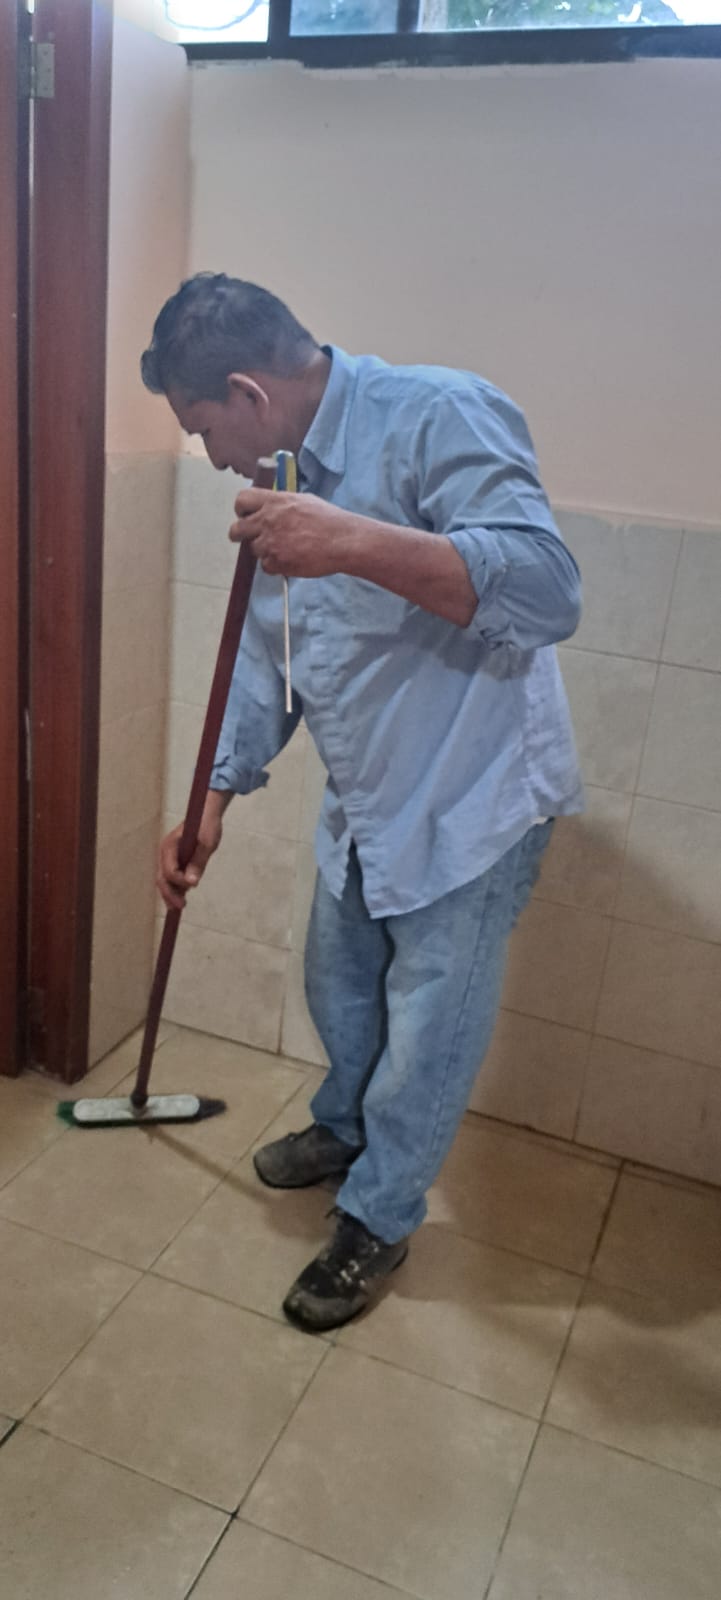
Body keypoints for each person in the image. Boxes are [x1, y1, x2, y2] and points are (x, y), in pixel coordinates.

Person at [142, 272, 583, 1334]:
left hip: (473, 797)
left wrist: (348, 539)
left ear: (248, 393)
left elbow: (547, 588)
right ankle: (344, 1127)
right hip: (371, 791)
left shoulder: (439, 412)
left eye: (204, 429)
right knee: (338, 987)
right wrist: (214, 799)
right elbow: (272, 654)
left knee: (427, 1036)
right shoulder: (284, 473)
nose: (211, 456)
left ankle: (379, 1215)